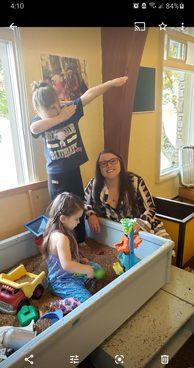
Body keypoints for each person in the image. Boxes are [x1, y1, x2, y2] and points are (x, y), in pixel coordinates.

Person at [30, 77, 128, 244]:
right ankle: (61, 244)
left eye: (57, 105)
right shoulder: (41, 121)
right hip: (56, 175)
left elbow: (89, 95)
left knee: (78, 206)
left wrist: (111, 84)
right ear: (40, 110)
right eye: (51, 109)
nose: (57, 109)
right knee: (60, 211)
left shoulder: (67, 108)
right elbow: (34, 129)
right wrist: (60, 119)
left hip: (73, 169)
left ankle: (81, 242)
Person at [84, 149, 172, 240]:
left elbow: (151, 208)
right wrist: (90, 214)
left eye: (113, 161)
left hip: (145, 228)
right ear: (99, 168)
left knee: (168, 251)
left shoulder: (136, 181)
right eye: (103, 163)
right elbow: (82, 203)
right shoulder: (94, 184)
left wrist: (139, 224)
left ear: (120, 162)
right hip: (115, 233)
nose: (108, 165)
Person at [41, 192, 94, 303]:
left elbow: (63, 258)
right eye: (76, 219)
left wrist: (79, 261)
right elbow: (67, 265)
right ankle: (58, 305)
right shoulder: (61, 238)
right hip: (62, 281)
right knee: (87, 299)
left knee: (96, 268)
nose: (79, 222)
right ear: (63, 218)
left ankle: (85, 282)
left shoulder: (58, 231)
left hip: (67, 275)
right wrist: (86, 269)